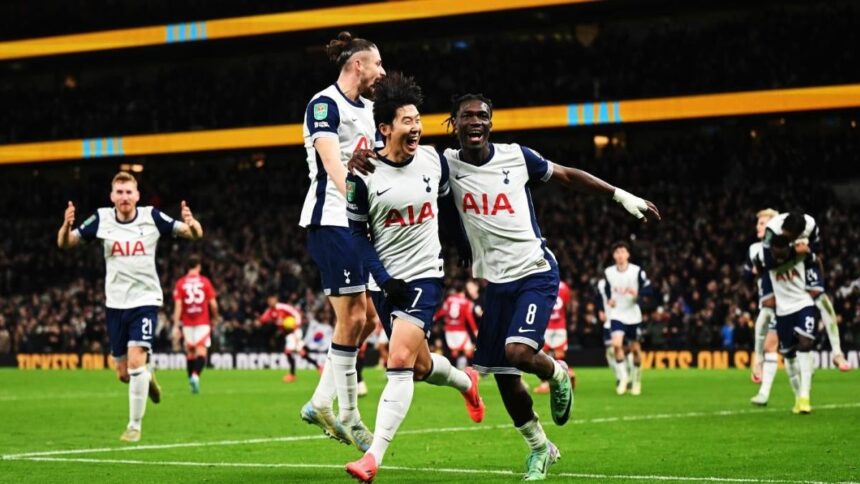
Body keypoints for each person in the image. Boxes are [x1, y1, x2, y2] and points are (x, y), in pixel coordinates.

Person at [350, 93, 659, 480]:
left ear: (491, 123)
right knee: (504, 378)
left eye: (482, 116)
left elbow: (566, 175)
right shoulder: (442, 162)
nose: (476, 121)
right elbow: (403, 166)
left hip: (535, 271)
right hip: (495, 283)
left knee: (517, 353)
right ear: (454, 124)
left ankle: (557, 372)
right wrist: (361, 155)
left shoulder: (517, 156)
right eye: (467, 116)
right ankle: (539, 448)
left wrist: (621, 196)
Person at [343, 73, 484, 483]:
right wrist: (383, 280)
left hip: (426, 275)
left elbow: (448, 208)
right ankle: (465, 381)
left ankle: (372, 458)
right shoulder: (362, 174)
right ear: (385, 128)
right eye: (407, 121)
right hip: (388, 283)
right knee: (420, 367)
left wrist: (462, 247)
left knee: (399, 360)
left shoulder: (432, 160)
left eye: (418, 119)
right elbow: (356, 234)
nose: (416, 127)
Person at [57, 171, 203, 442]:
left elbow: (193, 234)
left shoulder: (152, 217)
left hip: (145, 301)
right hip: (115, 304)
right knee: (125, 374)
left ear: (137, 195)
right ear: (112, 196)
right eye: (119, 192)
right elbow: (65, 244)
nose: (124, 197)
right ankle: (147, 376)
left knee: (135, 359)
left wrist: (192, 224)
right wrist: (66, 227)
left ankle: (134, 426)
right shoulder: (101, 219)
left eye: (129, 192)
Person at [298, 31, 387, 451]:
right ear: (357, 65)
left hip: (359, 226)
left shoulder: (371, 110)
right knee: (353, 318)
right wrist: (355, 206)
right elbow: (334, 165)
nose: (382, 72)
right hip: (333, 219)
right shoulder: (324, 104)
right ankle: (349, 415)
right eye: (378, 64)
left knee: (367, 320)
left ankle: (320, 402)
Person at [763, 211, 850, 372]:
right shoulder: (772, 230)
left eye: (790, 236)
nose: (786, 236)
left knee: (822, 300)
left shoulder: (810, 225)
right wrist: (797, 253)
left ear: (799, 234)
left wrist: (809, 252)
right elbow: (768, 264)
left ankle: (837, 353)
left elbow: (817, 249)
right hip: (780, 267)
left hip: (803, 261)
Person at [752, 233, 819, 413]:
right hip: (782, 311)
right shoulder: (761, 255)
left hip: (803, 304)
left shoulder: (798, 250)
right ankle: (798, 397)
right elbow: (755, 270)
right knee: (788, 355)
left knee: (805, 344)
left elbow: (816, 258)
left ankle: (804, 396)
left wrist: (810, 253)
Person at [604, 241, 651, 396]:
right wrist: (610, 298)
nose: (620, 255)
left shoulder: (636, 271)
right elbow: (606, 289)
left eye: (623, 252)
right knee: (616, 345)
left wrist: (639, 296)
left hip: (633, 314)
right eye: (617, 252)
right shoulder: (609, 272)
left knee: (636, 350)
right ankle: (624, 378)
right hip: (617, 313)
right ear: (614, 256)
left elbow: (648, 288)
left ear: (628, 255)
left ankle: (636, 379)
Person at [172, 254, 218, 393]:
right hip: (202, 321)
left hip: (187, 322)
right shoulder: (205, 282)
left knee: (190, 353)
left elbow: (178, 306)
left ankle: (190, 381)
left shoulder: (180, 283)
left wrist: (175, 325)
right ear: (198, 266)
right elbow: (213, 304)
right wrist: (215, 317)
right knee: (201, 351)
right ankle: (195, 376)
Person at [745, 208, 778, 384]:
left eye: (762, 223)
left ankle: (764, 391)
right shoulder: (753, 249)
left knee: (769, 345)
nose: (758, 226)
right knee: (772, 346)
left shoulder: (782, 247)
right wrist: (755, 272)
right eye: (758, 223)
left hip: (784, 302)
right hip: (764, 302)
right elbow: (747, 275)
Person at [259, 295, 317, 383]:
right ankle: (318, 366)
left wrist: (296, 324)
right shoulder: (270, 311)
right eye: (269, 301)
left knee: (289, 352)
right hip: (288, 334)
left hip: (295, 331)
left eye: (272, 300)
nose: (270, 302)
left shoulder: (283, 307)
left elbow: (296, 313)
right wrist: (264, 320)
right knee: (301, 353)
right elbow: (262, 319)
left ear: (276, 299)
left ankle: (292, 375)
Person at [534, 280, 571, 394]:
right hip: (560, 325)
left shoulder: (541, 283)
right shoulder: (564, 287)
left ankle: (545, 383)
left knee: (542, 354)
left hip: (546, 325)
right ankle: (563, 379)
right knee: (559, 355)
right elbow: (567, 307)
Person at [435, 282, 478, 369]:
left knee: (454, 352)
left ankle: (453, 371)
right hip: (460, 330)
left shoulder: (449, 300)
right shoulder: (466, 302)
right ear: (464, 291)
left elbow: (442, 312)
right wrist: (475, 330)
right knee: (469, 351)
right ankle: (472, 371)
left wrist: (434, 317)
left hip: (449, 331)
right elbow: (469, 317)